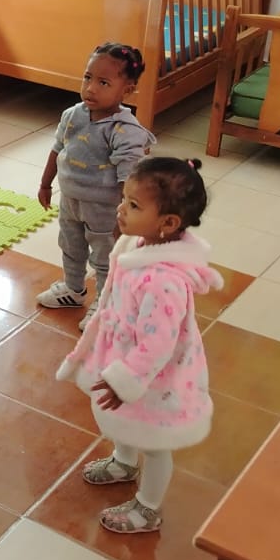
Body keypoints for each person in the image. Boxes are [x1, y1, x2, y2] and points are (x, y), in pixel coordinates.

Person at [56, 156, 220, 534]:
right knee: (125, 420)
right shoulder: (136, 244)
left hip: (155, 376)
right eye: (124, 199)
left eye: (133, 205)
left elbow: (158, 343)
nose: (120, 209)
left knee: (154, 441)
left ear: (168, 223)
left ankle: (148, 507)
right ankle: (123, 461)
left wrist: (127, 378)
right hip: (125, 357)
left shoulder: (164, 281)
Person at [35, 43, 156, 328]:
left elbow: (130, 178)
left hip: (104, 209)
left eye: (103, 83)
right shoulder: (72, 115)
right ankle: (73, 289)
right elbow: (58, 148)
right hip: (71, 200)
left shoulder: (125, 130)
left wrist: (127, 214)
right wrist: (45, 183)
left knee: (104, 258)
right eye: (88, 77)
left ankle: (105, 304)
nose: (90, 88)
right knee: (71, 246)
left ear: (127, 90)